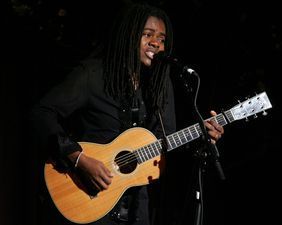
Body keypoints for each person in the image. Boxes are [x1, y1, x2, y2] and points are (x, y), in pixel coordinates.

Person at [30, 2, 224, 225]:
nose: (156, 43)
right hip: (87, 200)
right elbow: (41, 113)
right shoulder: (93, 75)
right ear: (129, 35)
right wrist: (79, 159)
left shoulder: (160, 86)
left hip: (137, 211)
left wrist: (201, 136)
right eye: (148, 34)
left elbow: (165, 143)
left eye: (162, 39)